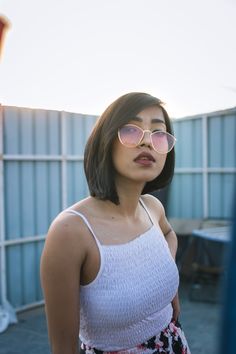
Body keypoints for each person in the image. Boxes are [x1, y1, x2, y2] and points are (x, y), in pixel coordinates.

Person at [40, 92, 191, 354]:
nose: (147, 142)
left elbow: (170, 235)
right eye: (131, 130)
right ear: (106, 140)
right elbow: (63, 348)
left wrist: (167, 284)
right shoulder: (70, 231)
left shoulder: (153, 208)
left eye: (158, 132)